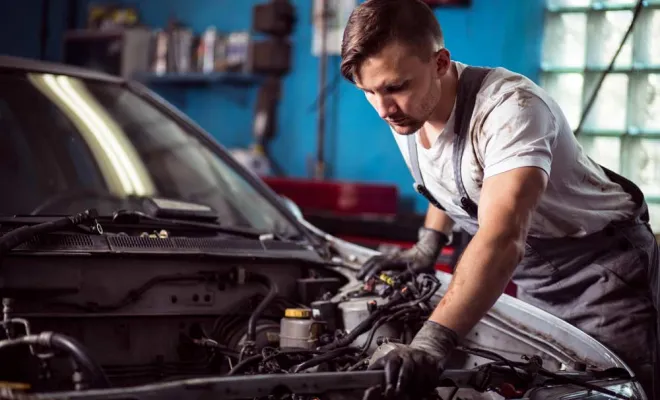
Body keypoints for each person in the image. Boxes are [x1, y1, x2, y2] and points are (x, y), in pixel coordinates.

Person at [340, 0, 659, 398]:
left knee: (614, 390)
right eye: (368, 91)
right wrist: (427, 246)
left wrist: (431, 341)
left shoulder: (512, 110)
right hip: (532, 278)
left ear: (440, 63)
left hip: (602, 275)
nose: (383, 109)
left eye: (394, 87)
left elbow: (503, 236)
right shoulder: (409, 108)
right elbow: (452, 182)